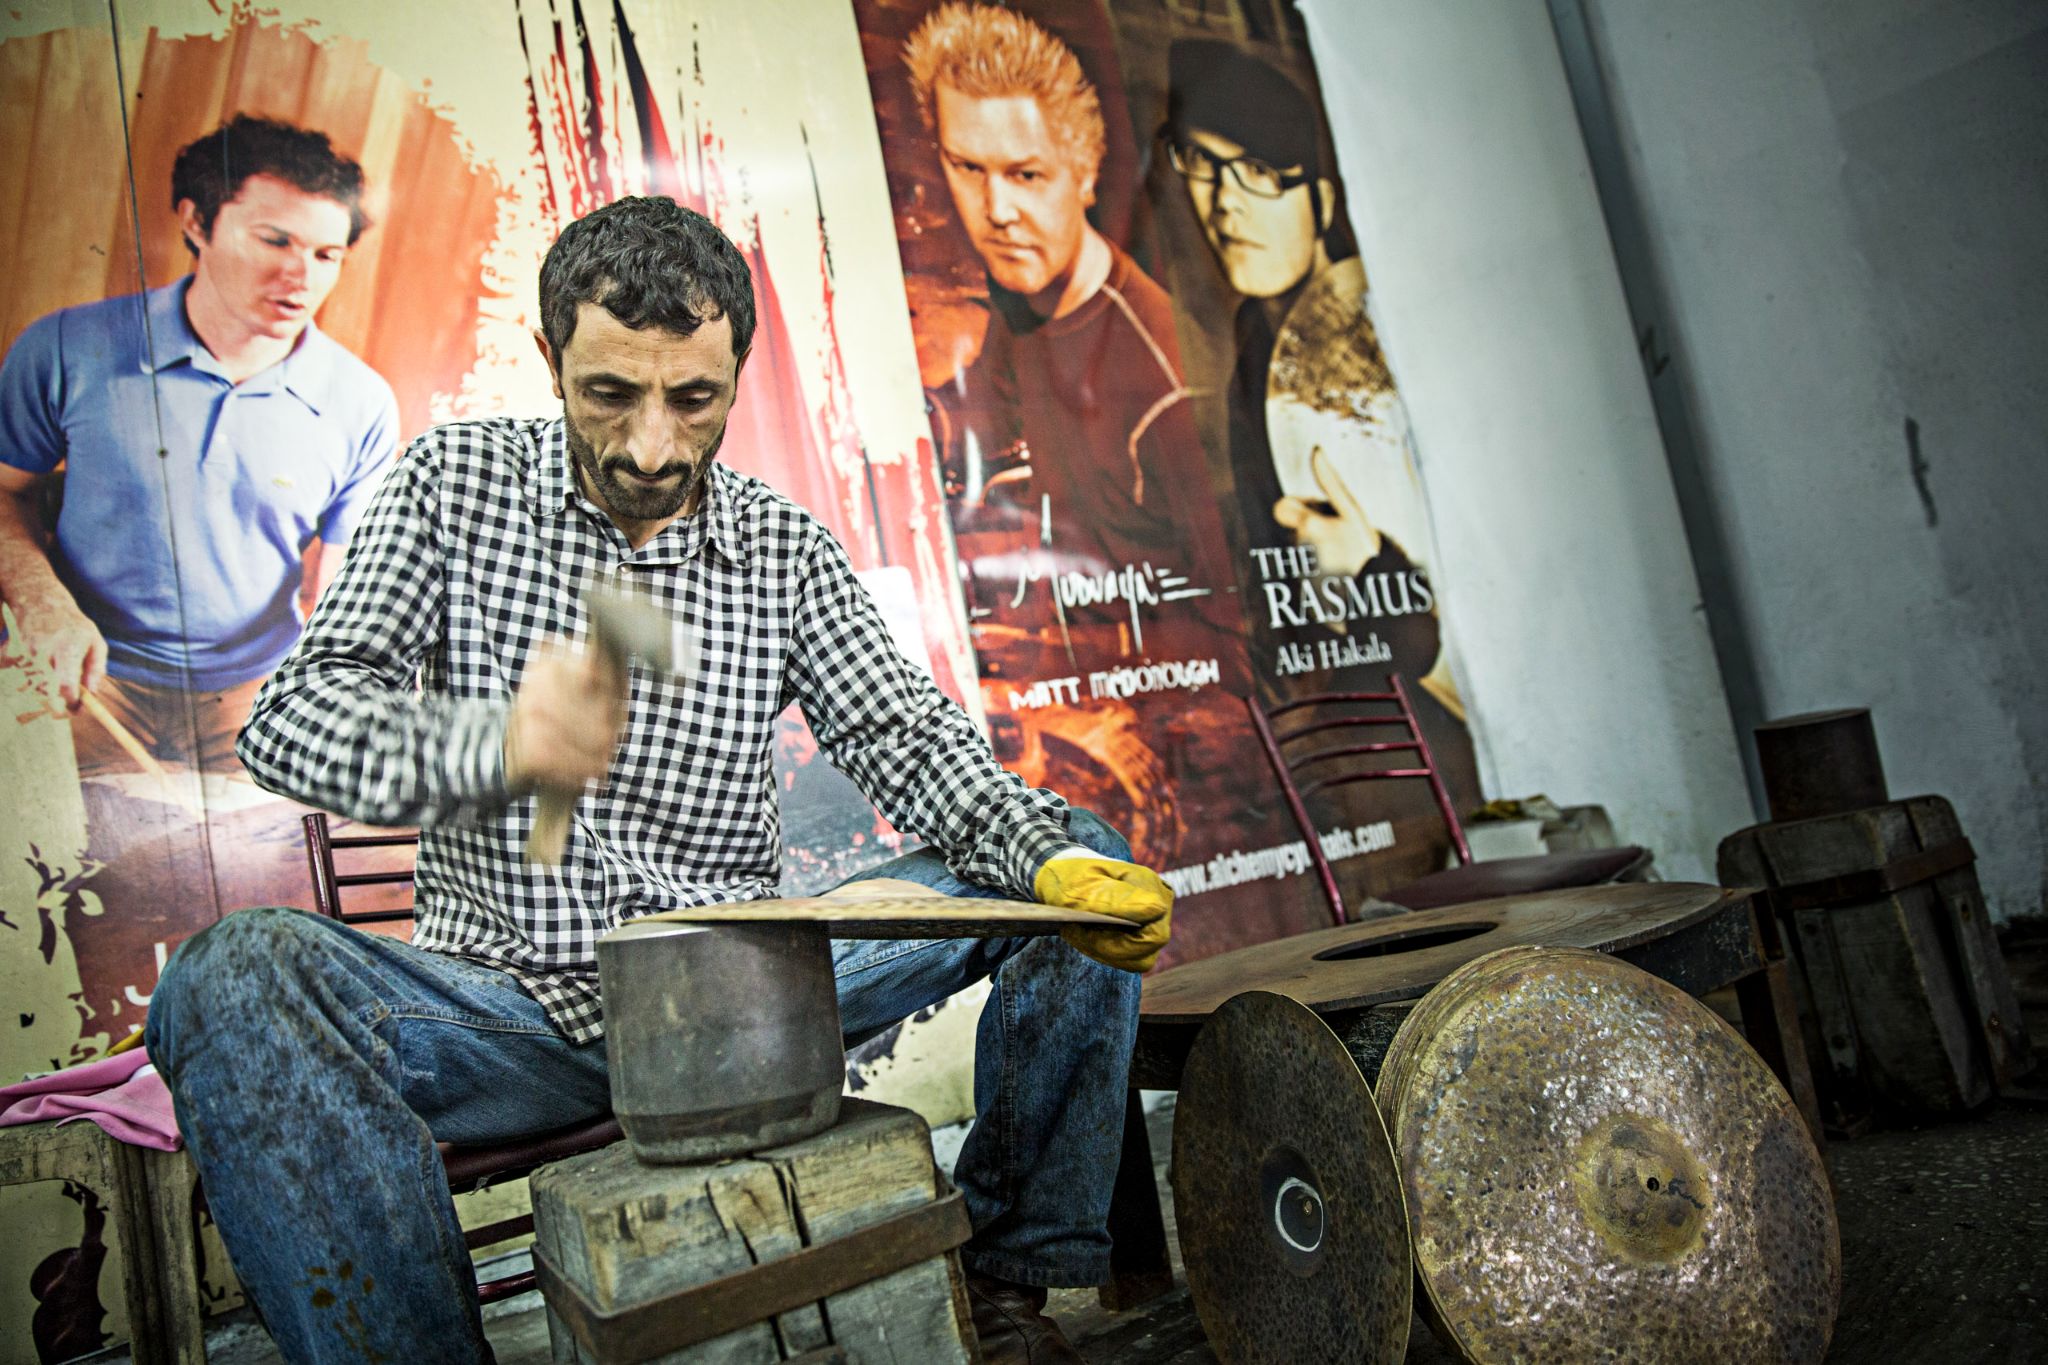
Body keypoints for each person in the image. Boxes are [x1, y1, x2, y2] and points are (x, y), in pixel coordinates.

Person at [146, 196, 1173, 1365]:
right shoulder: (449, 487)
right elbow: (287, 723)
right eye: (608, 396)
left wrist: (1042, 857)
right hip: (509, 1015)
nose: (651, 448)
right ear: (549, 361)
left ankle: (1005, 1284)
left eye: (694, 400)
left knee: (1071, 867)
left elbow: (908, 741)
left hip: (744, 999)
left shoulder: (780, 550)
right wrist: (491, 742)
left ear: (735, 366)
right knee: (230, 980)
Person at [0, 113, 398, 760]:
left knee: (282, 857)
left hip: (254, 693)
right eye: (275, 241)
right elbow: (5, 492)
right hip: (84, 675)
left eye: (327, 255)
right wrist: (43, 603)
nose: (302, 277)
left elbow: (346, 573)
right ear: (195, 221)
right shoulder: (66, 346)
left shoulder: (362, 402)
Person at [904, 2, 1241, 670]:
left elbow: (1242, 634)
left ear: (1085, 173)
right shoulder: (1023, 300)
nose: (997, 211)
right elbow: (1003, 439)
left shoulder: (1169, 387)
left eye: (1026, 175)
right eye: (967, 167)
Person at [1164, 40, 1462, 717]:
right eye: (1204, 164)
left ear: (1324, 202)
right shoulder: (1254, 339)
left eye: (1262, 171)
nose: (1226, 203)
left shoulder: (1375, 330)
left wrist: (1369, 566)